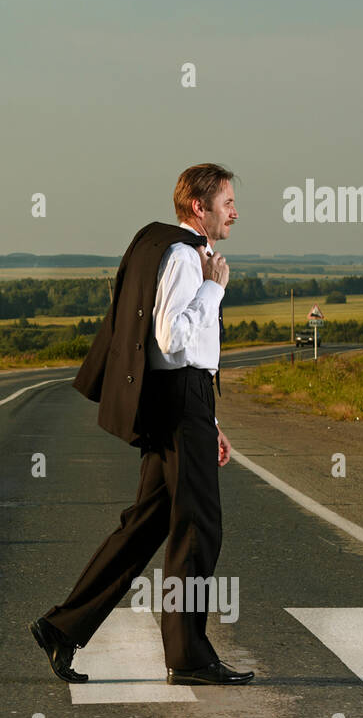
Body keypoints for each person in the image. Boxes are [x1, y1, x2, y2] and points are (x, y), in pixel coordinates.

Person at [30, 163, 254, 686]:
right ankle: (189, 657)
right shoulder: (183, 256)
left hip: (183, 403)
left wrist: (212, 419)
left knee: (147, 526)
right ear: (199, 207)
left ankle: (63, 628)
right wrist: (215, 288)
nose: (235, 213)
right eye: (227, 203)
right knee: (198, 532)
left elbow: (183, 354)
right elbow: (172, 339)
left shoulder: (172, 248)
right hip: (179, 404)